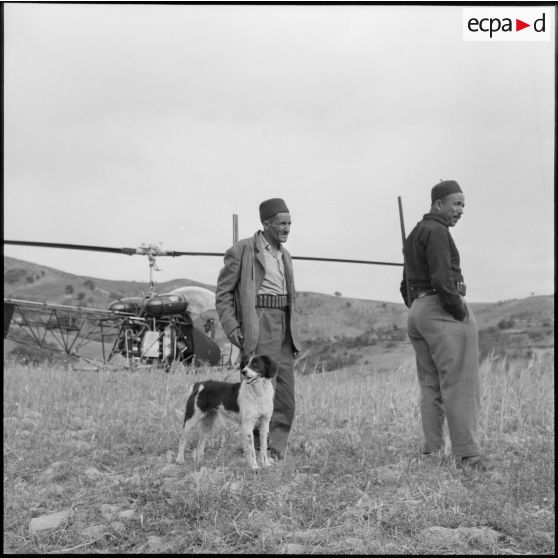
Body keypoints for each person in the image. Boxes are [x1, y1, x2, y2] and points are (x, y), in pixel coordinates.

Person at [400, 180, 484, 473]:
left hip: (419, 311)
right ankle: (469, 456)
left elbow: (404, 283)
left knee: (431, 385)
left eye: (463, 205)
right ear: (438, 204)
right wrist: (458, 310)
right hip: (442, 309)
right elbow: (441, 277)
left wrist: (419, 307)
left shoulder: (415, 233)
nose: (460, 210)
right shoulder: (437, 231)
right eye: (456, 204)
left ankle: (432, 451)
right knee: (461, 383)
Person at [215, 197, 301, 461]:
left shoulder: (285, 255)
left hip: (284, 324)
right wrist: (231, 325)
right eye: (281, 224)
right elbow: (223, 293)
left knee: (284, 393)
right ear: (266, 224)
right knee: (257, 389)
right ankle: (253, 450)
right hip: (258, 321)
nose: (287, 229)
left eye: (290, 223)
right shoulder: (242, 250)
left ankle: (275, 449)